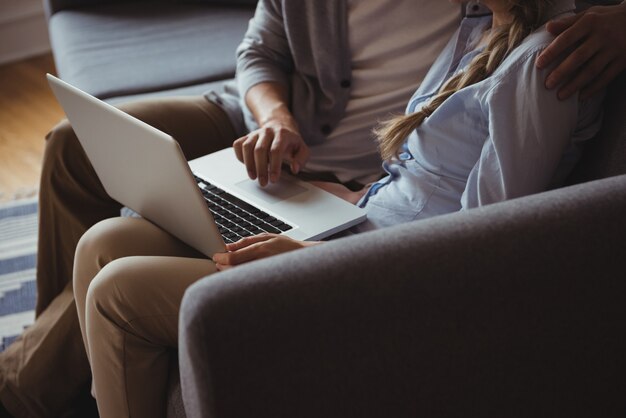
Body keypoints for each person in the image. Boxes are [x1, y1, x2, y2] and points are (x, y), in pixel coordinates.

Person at [0, 0, 622, 417]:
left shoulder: (544, 62)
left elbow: (482, 242)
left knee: (115, 287)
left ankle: (30, 389)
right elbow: (410, 182)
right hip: (353, 215)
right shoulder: (476, 27)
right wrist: (336, 201)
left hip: (378, 268)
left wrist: (307, 258)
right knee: (102, 241)